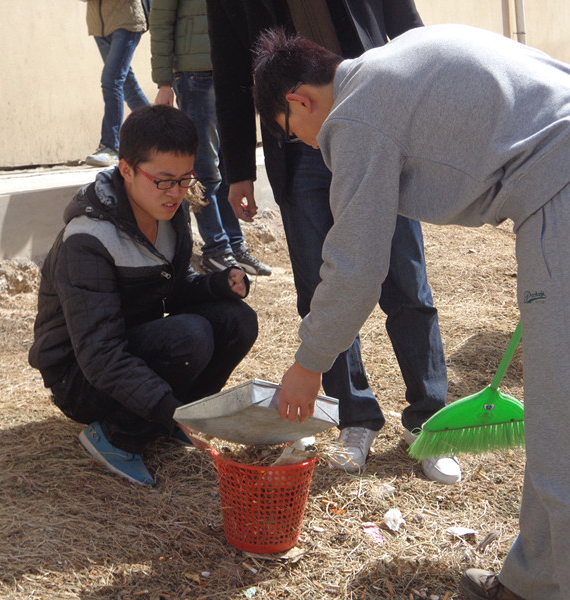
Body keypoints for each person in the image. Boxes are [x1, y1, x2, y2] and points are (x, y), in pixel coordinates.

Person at [252, 26, 570, 600]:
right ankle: (533, 582)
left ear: (299, 101)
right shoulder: (392, 62)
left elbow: (355, 264)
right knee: (561, 418)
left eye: (294, 134)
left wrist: (308, 363)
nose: (309, 146)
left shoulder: (355, 114)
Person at [206, 0, 460, 485]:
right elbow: (231, 74)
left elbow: (408, 32)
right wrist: (238, 169)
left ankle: (429, 419)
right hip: (298, 144)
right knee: (322, 291)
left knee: (406, 282)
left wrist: (427, 115)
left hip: (378, 127)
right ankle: (354, 419)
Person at [29, 104, 258, 487]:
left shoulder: (169, 213)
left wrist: (217, 286)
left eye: (185, 180)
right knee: (191, 337)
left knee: (237, 320)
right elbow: (100, 356)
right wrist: (172, 409)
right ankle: (117, 438)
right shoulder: (88, 240)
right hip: (81, 377)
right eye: (164, 180)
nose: (176, 193)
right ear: (126, 169)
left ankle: (164, 422)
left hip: (132, 348)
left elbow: (173, 289)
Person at [148, 0, 271, 276]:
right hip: (194, 75)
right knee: (203, 169)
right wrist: (164, 83)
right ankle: (215, 248)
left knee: (229, 163)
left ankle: (234, 244)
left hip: (232, 69)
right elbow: (160, 22)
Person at [83, 0, 152, 167]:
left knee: (111, 81)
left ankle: (111, 146)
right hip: (98, 26)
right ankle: (160, 132)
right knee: (127, 86)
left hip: (125, 22)